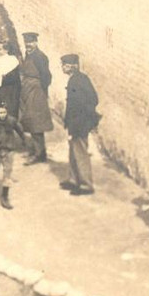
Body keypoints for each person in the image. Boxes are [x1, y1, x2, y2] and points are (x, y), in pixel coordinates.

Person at [60, 54, 99, 196]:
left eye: (64, 65)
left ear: (71, 66)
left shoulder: (78, 81)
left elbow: (92, 100)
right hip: (75, 123)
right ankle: (73, 180)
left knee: (81, 153)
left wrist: (81, 121)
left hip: (79, 124)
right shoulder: (78, 79)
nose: (62, 67)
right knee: (73, 151)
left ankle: (86, 185)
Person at [18, 32, 53, 164]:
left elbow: (47, 77)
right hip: (28, 90)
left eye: (31, 42)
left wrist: (41, 91)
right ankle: (35, 151)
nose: (28, 45)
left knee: (36, 121)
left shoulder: (40, 57)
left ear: (36, 43)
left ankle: (40, 154)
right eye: (26, 42)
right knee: (30, 120)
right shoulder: (29, 55)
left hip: (36, 91)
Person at [0, 101, 26, 209]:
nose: (2, 115)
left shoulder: (11, 121)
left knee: (7, 173)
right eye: (0, 113)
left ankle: (4, 196)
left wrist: (23, 139)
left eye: (4, 112)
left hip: (8, 150)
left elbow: (19, 129)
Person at [0, 40, 22, 119]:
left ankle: (10, 126)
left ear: (7, 50)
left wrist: (0, 81)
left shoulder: (12, 60)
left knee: (9, 108)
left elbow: (13, 77)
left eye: (0, 49)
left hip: (10, 90)